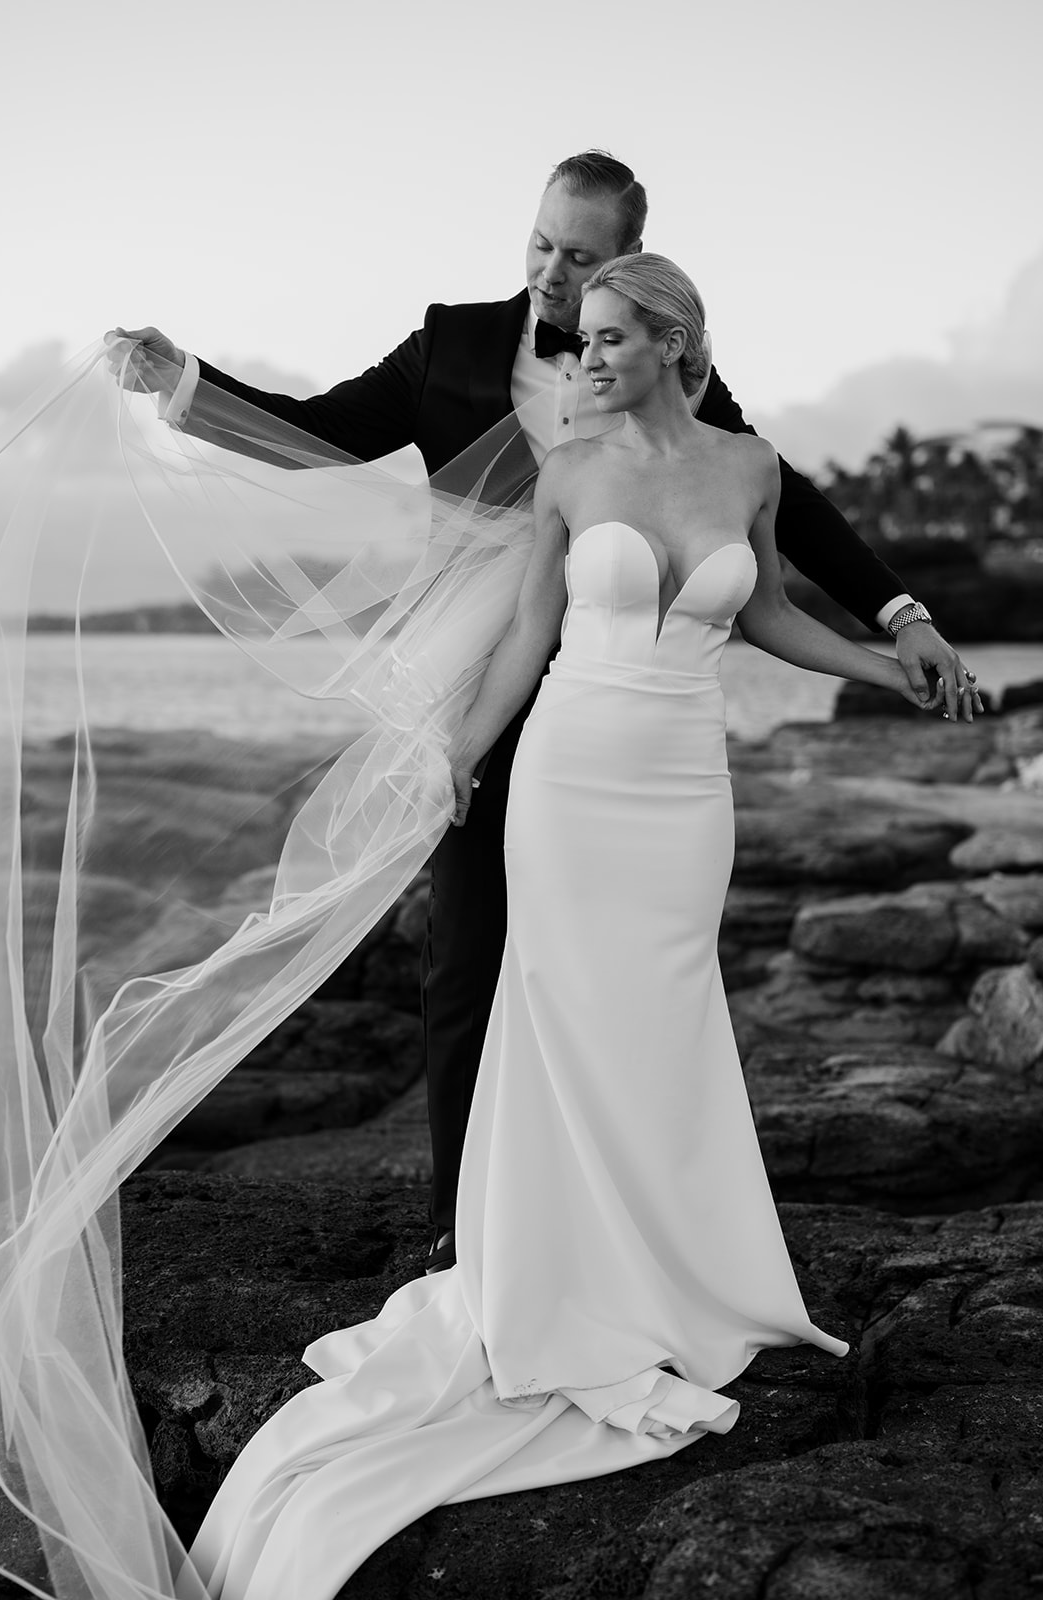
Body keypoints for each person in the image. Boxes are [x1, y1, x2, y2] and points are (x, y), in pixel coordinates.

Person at [180, 251, 959, 1599]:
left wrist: (891, 662)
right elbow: (526, 636)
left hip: (681, 787)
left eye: (609, 338)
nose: (584, 357)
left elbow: (768, 608)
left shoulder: (748, 469)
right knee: (563, 1018)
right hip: (569, 780)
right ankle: (568, 1279)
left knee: (661, 1023)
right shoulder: (566, 473)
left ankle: (681, 1269)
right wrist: (455, 758)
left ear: (673, 342)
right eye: (581, 338)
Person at [113, 150, 982, 1276]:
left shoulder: (655, 361)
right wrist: (184, 385)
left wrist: (898, 611)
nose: (549, 273)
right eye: (538, 244)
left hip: (638, 708)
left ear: (627, 264)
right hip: (488, 680)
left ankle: (627, 1220)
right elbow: (317, 430)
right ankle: (463, 1229)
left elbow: (782, 513)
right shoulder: (454, 342)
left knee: (637, 967)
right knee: (468, 951)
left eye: (578, 255)